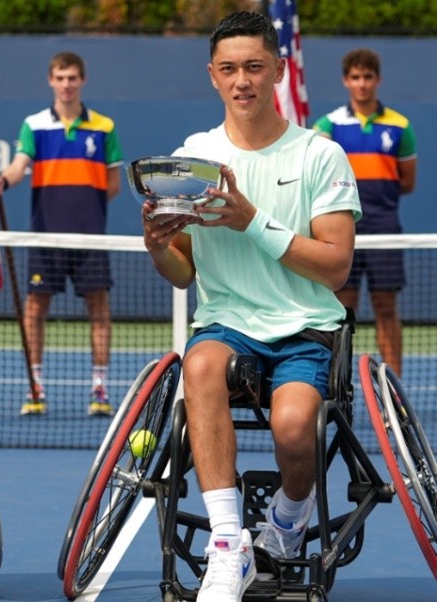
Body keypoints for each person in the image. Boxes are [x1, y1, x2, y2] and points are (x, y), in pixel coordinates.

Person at [140, 12, 361, 601]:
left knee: (294, 430)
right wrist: (160, 250)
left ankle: (287, 520)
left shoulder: (320, 155)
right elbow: (184, 270)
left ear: (278, 72)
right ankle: (228, 544)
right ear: (213, 76)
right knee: (200, 365)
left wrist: (252, 220)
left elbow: (336, 266)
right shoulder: (194, 156)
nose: (243, 81)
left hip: (306, 328)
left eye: (255, 67)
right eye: (231, 69)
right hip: (227, 324)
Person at [0, 51, 123, 417]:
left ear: (82, 81)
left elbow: (112, 184)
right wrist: (2, 180)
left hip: (90, 237)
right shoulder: (33, 125)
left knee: (99, 308)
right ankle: (36, 387)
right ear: (51, 81)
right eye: (60, 78)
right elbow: (19, 167)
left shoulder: (104, 126)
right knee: (36, 308)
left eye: (72, 78)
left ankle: (99, 389)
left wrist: (84, 209)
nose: (66, 84)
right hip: (45, 236)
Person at [313, 48, 417, 376]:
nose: (362, 84)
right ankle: (339, 382)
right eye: (355, 77)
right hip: (342, 228)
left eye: (367, 77)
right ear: (346, 81)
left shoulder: (400, 126)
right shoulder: (328, 125)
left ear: (377, 80)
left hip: (385, 225)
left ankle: (394, 392)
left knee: (386, 308)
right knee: (343, 310)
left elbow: (407, 182)